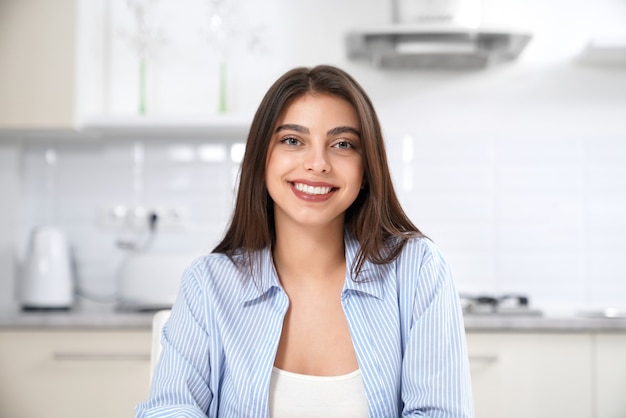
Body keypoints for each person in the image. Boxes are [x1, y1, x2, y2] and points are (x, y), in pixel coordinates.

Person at [136, 65, 474, 418]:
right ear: (262, 159)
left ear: (365, 170)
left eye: (343, 144)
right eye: (293, 141)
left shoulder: (418, 270)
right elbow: (170, 409)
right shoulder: (208, 283)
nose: (317, 164)